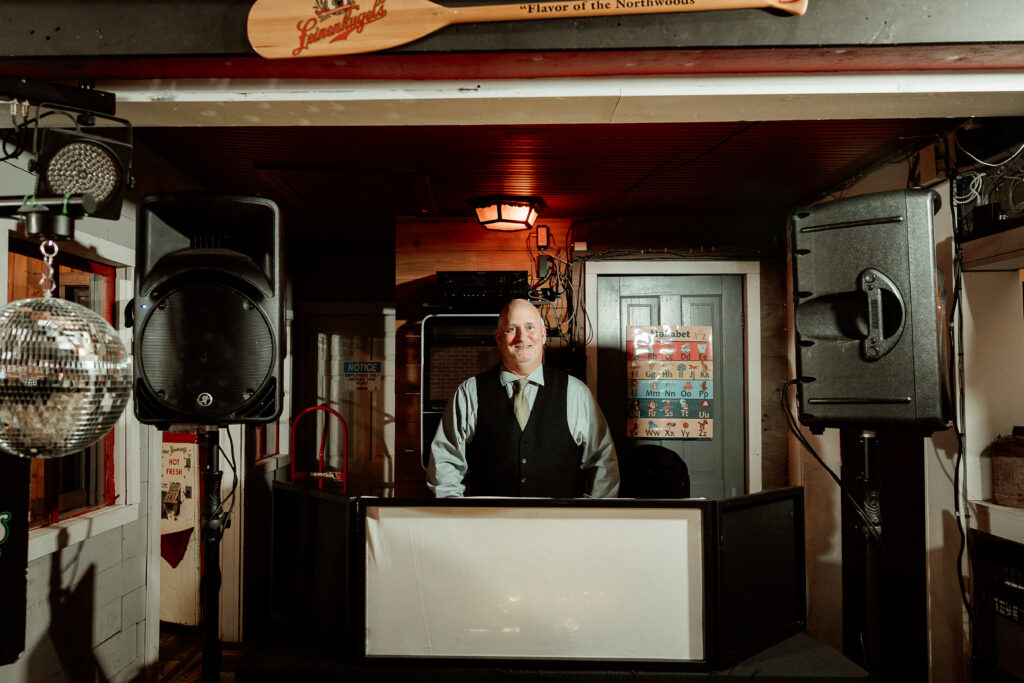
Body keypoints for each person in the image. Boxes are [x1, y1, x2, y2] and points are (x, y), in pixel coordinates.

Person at [427, 298, 619, 498]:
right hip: (489, 525)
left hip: (559, 526)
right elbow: (445, 462)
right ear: (499, 338)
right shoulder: (469, 392)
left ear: (543, 335)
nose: (522, 337)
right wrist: (456, 514)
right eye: (512, 329)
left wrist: (591, 516)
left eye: (530, 327)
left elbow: (603, 462)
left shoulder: (576, 392)